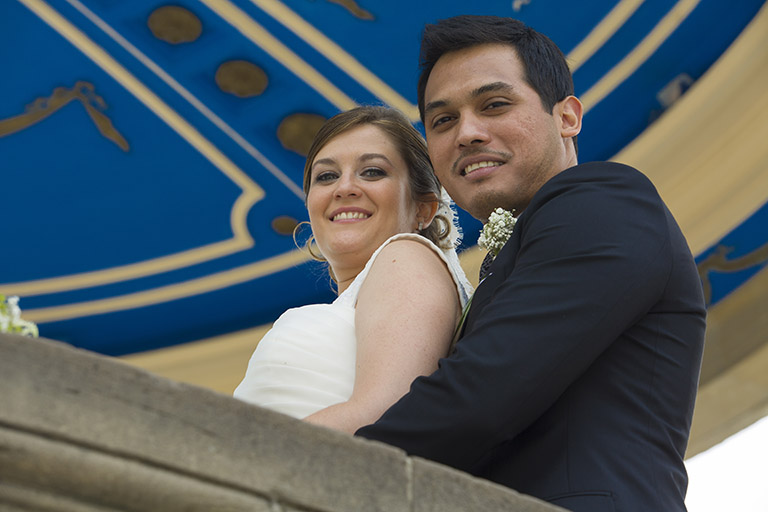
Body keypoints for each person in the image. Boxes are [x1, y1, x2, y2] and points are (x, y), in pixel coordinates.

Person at [356, 15, 706, 512]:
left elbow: (482, 395)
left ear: (567, 117)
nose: (467, 133)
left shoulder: (605, 201)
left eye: (494, 105)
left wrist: (319, 468)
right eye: (443, 121)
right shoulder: (521, 249)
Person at [234, 106, 473, 434]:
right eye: (326, 176)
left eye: (372, 172)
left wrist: (246, 453)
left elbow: (386, 413)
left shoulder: (406, 256)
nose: (344, 188)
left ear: (424, 208)